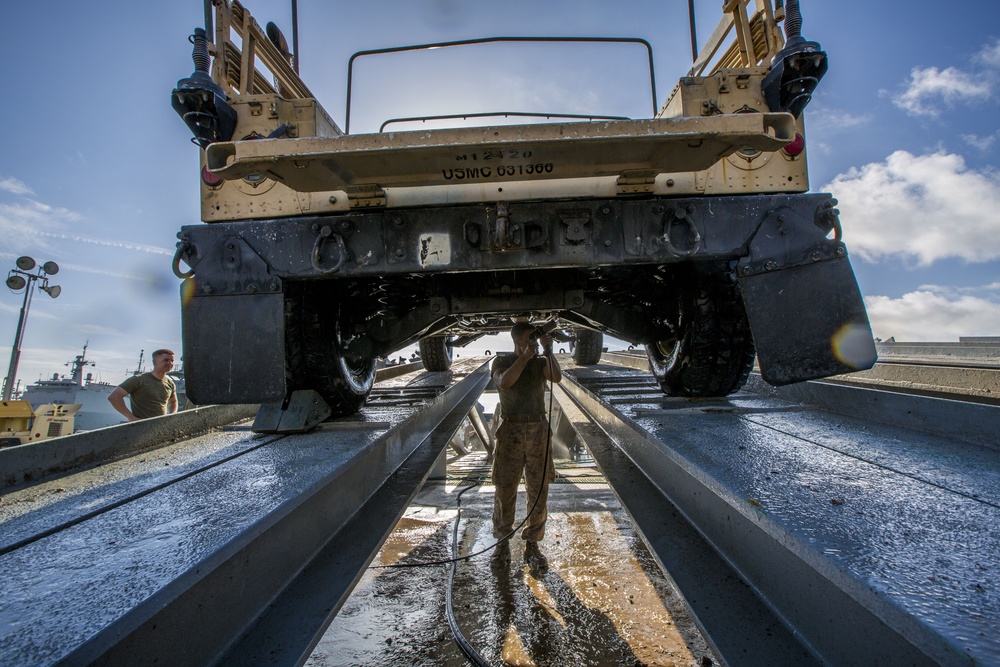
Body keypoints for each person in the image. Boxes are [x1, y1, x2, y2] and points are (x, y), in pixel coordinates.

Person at [490, 322, 562, 570]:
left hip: (538, 430)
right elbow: (504, 382)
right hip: (511, 430)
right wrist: (524, 357)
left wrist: (547, 350)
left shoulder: (541, 362)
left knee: (538, 489)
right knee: (505, 488)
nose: (533, 342)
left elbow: (557, 377)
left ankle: (532, 544)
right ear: (518, 340)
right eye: (529, 338)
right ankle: (502, 544)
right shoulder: (502, 361)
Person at [108, 349, 178, 421]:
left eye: (172, 361)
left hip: (159, 426)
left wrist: (171, 415)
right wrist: (130, 417)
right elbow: (114, 396)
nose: (170, 363)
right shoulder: (139, 380)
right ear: (155, 362)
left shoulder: (170, 383)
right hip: (141, 428)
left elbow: (173, 401)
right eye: (166, 360)